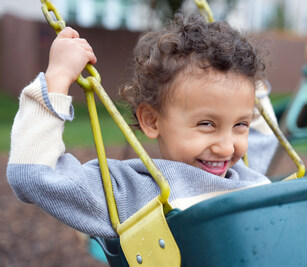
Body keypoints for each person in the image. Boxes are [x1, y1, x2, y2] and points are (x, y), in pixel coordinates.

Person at [7, 13, 278, 238]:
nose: (226, 147)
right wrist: (57, 77)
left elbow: (262, 136)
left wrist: (252, 81)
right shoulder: (133, 194)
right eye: (207, 124)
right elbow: (35, 175)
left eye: (240, 124)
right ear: (152, 120)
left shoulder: (248, 175)